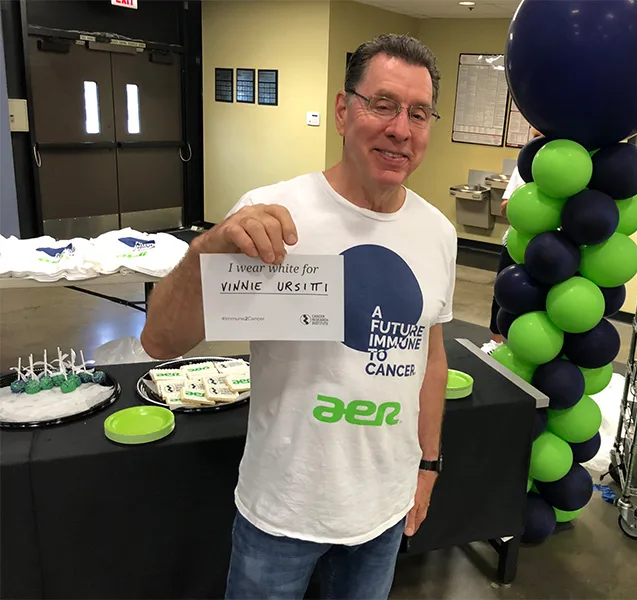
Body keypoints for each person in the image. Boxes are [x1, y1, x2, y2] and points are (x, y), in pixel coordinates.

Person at [140, 34, 456, 600]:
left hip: (383, 510)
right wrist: (207, 248)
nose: (400, 129)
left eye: (418, 113)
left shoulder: (438, 233)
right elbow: (161, 340)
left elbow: (429, 358)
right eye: (383, 104)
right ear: (342, 111)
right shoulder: (270, 215)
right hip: (282, 511)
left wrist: (428, 465)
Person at [482, 127, 541, 354]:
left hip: (548, 248)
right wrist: (524, 202)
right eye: (535, 138)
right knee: (504, 290)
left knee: (537, 297)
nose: (538, 144)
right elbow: (505, 208)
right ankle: (495, 341)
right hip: (516, 242)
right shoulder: (523, 168)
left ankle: (529, 345)